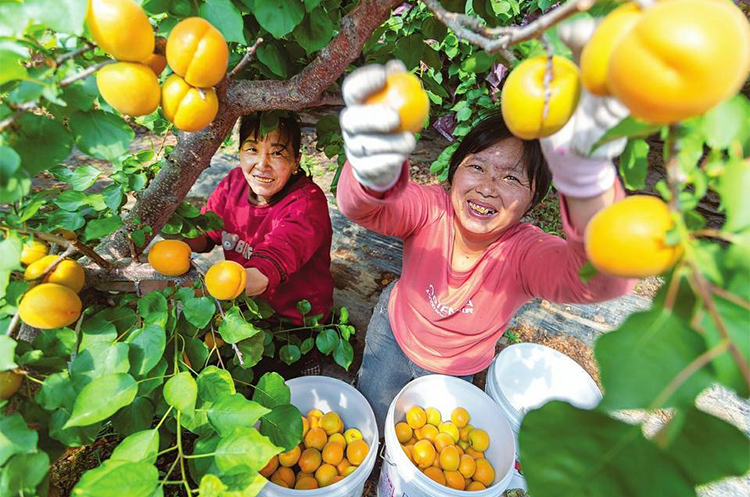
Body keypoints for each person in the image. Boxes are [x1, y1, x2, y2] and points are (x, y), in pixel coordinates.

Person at [336, 49, 637, 431]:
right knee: (372, 416)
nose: (488, 187)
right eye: (477, 167)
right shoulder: (431, 208)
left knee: (427, 442)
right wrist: (372, 175)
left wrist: (586, 183)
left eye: (511, 178)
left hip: (454, 368)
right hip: (393, 334)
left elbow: (597, 280)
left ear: (533, 200)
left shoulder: (523, 254)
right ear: (454, 174)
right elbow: (363, 208)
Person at [186, 113, 334, 326]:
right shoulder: (234, 183)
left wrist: (206, 293)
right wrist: (170, 225)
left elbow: (268, 267)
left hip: (294, 322)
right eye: (252, 149)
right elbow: (205, 237)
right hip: (245, 305)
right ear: (240, 152)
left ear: (296, 161)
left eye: (277, 153)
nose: (262, 164)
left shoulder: (306, 204)